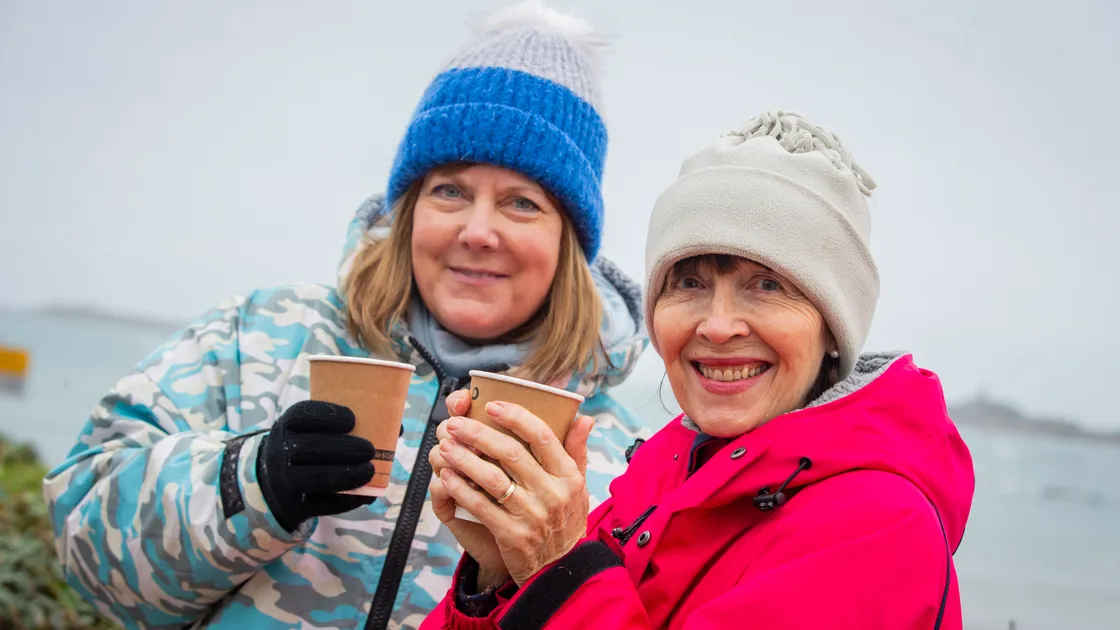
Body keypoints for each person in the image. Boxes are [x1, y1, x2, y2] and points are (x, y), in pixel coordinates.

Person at [42, 3, 649, 629]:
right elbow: (83, 551)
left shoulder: (616, 461)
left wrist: (537, 573)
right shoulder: (259, 337)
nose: (478, 231)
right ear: (408, 208)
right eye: (450, 190)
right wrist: (254, 481)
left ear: (570, 242)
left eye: (522, 203)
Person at [422, 110, 976, 629]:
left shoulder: (879, 527)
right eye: (689, 282)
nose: (717, 326)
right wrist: (498, 579)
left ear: (833, 327)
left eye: (768, 285)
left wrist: (559, 571)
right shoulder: (655, 485)